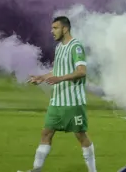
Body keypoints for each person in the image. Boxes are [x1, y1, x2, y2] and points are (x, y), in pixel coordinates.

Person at [20, 16, 97, 172]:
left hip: (73, 102)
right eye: (52, 28)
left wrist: (60, 79)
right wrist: (42, 77)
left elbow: (81, 71)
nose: (52, 31)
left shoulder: (76, 47)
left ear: (65, 29)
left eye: (55, 28)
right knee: (46, 133)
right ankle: (36, 170)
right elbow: (57, 71)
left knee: (81, 136)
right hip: (57, 102)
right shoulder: (60, 47)